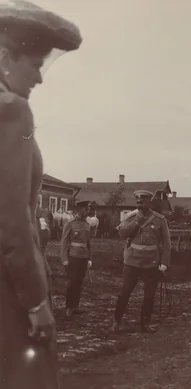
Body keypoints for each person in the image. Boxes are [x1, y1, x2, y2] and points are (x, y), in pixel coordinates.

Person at [0, 2, 82, 386]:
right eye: (34, 63)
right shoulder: (12, 111)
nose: (40, 77)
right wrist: (35, 302)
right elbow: (12, 217)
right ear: (4, 55)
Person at [113, 190, 172, 333]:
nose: (140, 204)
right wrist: (136, 222)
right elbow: (122, 234)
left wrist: (164, 263)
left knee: (149, 294)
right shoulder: (130, 217)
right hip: (132, 260)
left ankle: (145, 324)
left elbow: (166, 242)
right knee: (125, 292)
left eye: (143, 202)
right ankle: (116, 321)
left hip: (151, 262)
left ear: (149, 202)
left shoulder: (159, 219)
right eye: (138, 202)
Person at [59, 200, 94, 318]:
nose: (87, 211)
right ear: (78, 210)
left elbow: (88, 243)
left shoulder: (87, 224)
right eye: (85, 209)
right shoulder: (70, 223)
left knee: (79, 283)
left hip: (83, 257)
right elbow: (64, 242)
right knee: (71, 283)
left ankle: (75, 306)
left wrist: (89, 258)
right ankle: (69, 307)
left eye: (87, 209)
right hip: (73, 257)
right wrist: (64, 259)